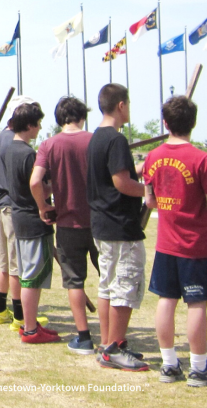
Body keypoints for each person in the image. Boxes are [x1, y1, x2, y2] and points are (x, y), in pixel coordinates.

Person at [142, 96, 207, 386]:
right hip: (195, 243)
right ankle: (199, 367)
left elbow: (150, 201)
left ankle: (169, 363)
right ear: (193, 124)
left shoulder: (152, 157)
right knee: (197, 303)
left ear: (165, 123)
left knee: (166, 301)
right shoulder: (200, 158)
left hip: (166, 243)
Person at [87, 84, 148, 371]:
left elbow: (114, 174)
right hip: (120, 224)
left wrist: (139, 170)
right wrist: (148, 191)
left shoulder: (97, 137)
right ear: (121, 105)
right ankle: (114, 347)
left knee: (108, 286)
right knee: (124, 285)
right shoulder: (116, 139)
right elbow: (121, 183)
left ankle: (109, 343)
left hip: (102, 222)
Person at [31, 96, 96, 353]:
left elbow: (36, 181)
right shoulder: (94, 141)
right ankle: (115, 336)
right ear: (82, 115)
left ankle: (84, 336)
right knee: (109, 279)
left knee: (74, 281)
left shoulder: (49, 144)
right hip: (99, 220)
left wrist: (42, 206)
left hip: (68, 221)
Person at [0, 102, 60, 344]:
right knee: (32, 277)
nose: (40, 128)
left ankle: (29, 324)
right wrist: (48, 198)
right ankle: (31, 328)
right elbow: (36, 186)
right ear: (30, 125)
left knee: (28, 274)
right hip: (32, 218)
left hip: (18, 215)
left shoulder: (9, 149)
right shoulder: (27, 153)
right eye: (38, 124)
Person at [0, 96, 34, 327]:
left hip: (0, 203)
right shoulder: (13, 141)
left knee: (6, 261)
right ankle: (19, 315)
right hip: (11, 204)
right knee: (16, 263)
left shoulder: (1, 139)